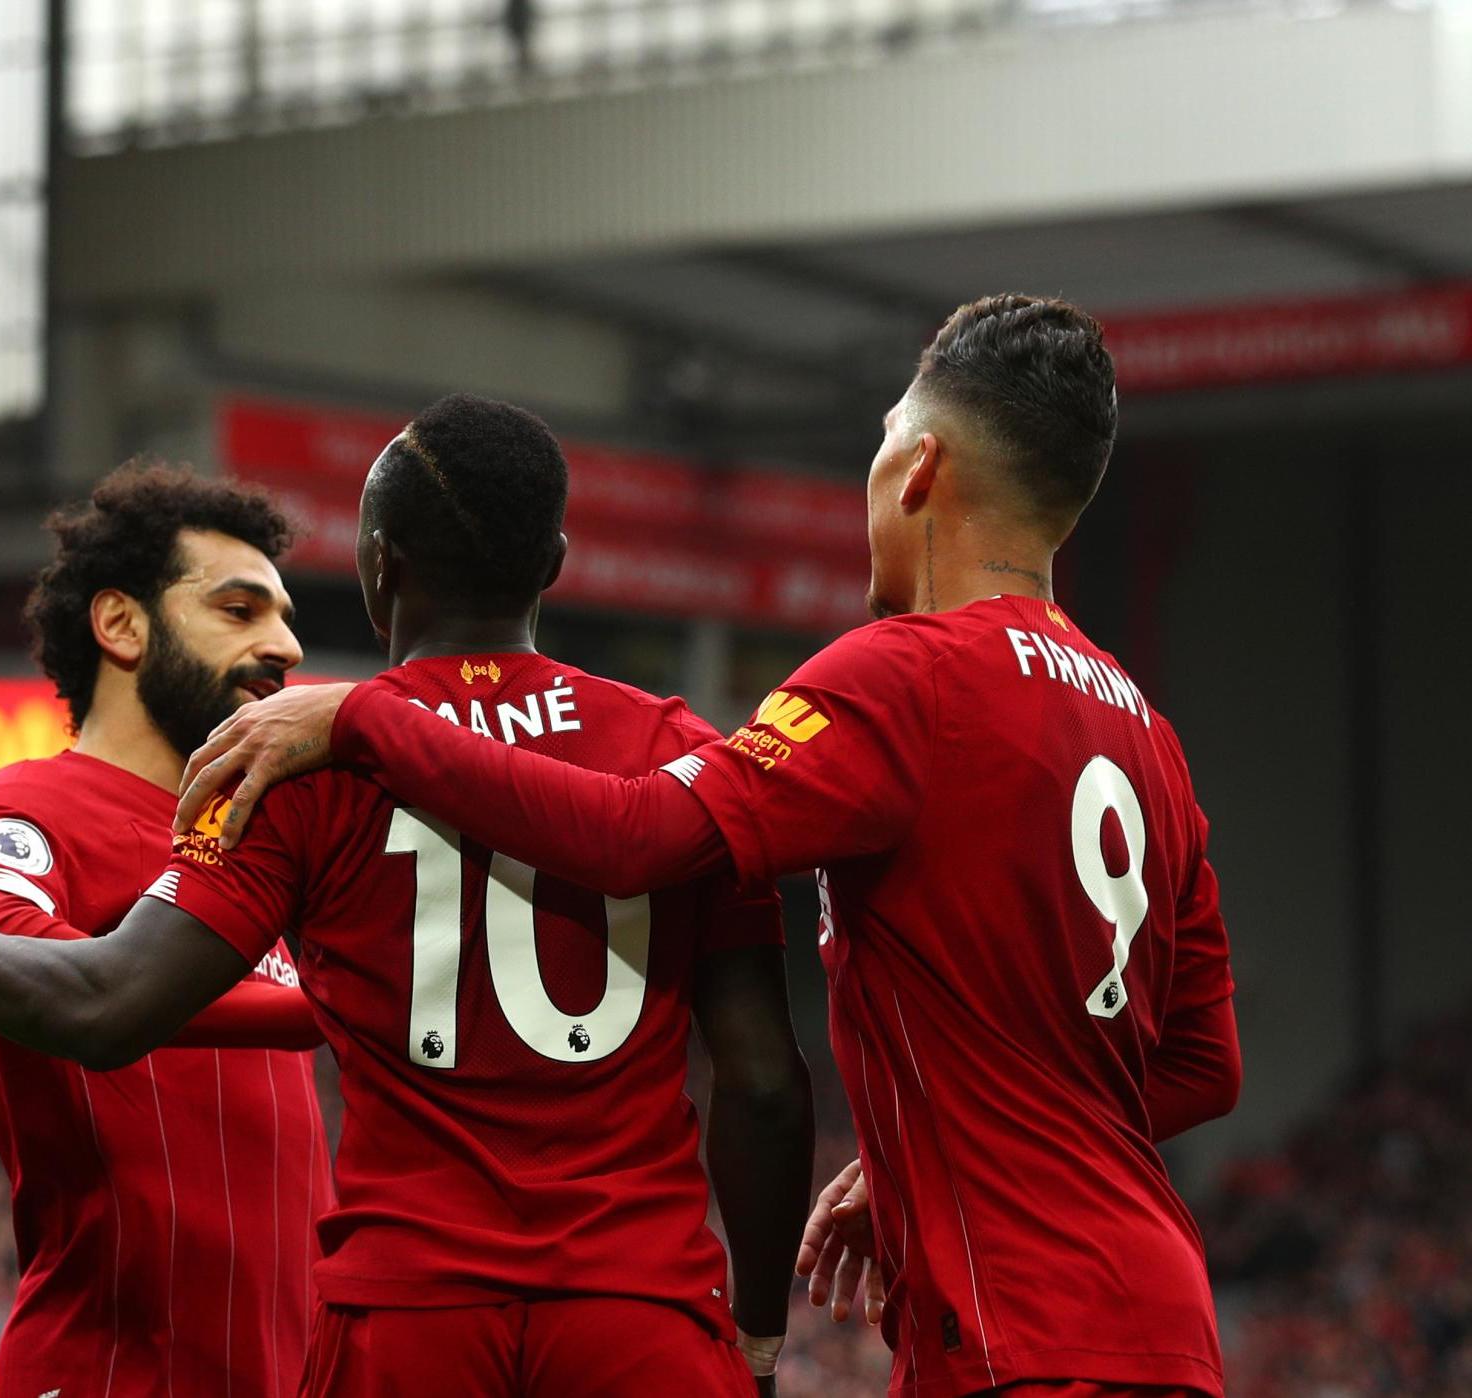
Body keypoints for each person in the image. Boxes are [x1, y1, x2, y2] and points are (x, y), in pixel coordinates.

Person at [169, 297, 1245, 1398]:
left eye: (877, 448)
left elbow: (635, 835)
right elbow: (1204, 1067)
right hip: (1162, 1319)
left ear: (917, 468)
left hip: (1021, 1332)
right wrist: (916, 1159)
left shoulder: (899, 676)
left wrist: (361, 720)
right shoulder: (1144, 730)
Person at [0, 396, 816, 1397]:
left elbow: (106, 999)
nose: (279, 643)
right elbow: (763, 1086)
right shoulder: (678, 753)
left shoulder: (302, 761)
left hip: (406, 1319)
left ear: (376, 567)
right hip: (635, 1312)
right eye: (240, 608)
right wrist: (759, 1340)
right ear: (552, 566)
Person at [0, 463, 333, 1397]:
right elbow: (3, 962)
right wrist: (322, 1005)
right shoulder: (30, 808)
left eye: (283, 617)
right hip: (113, 1375)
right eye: (240, 611)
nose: (283, 646)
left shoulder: (260, 840)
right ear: (121, 625)